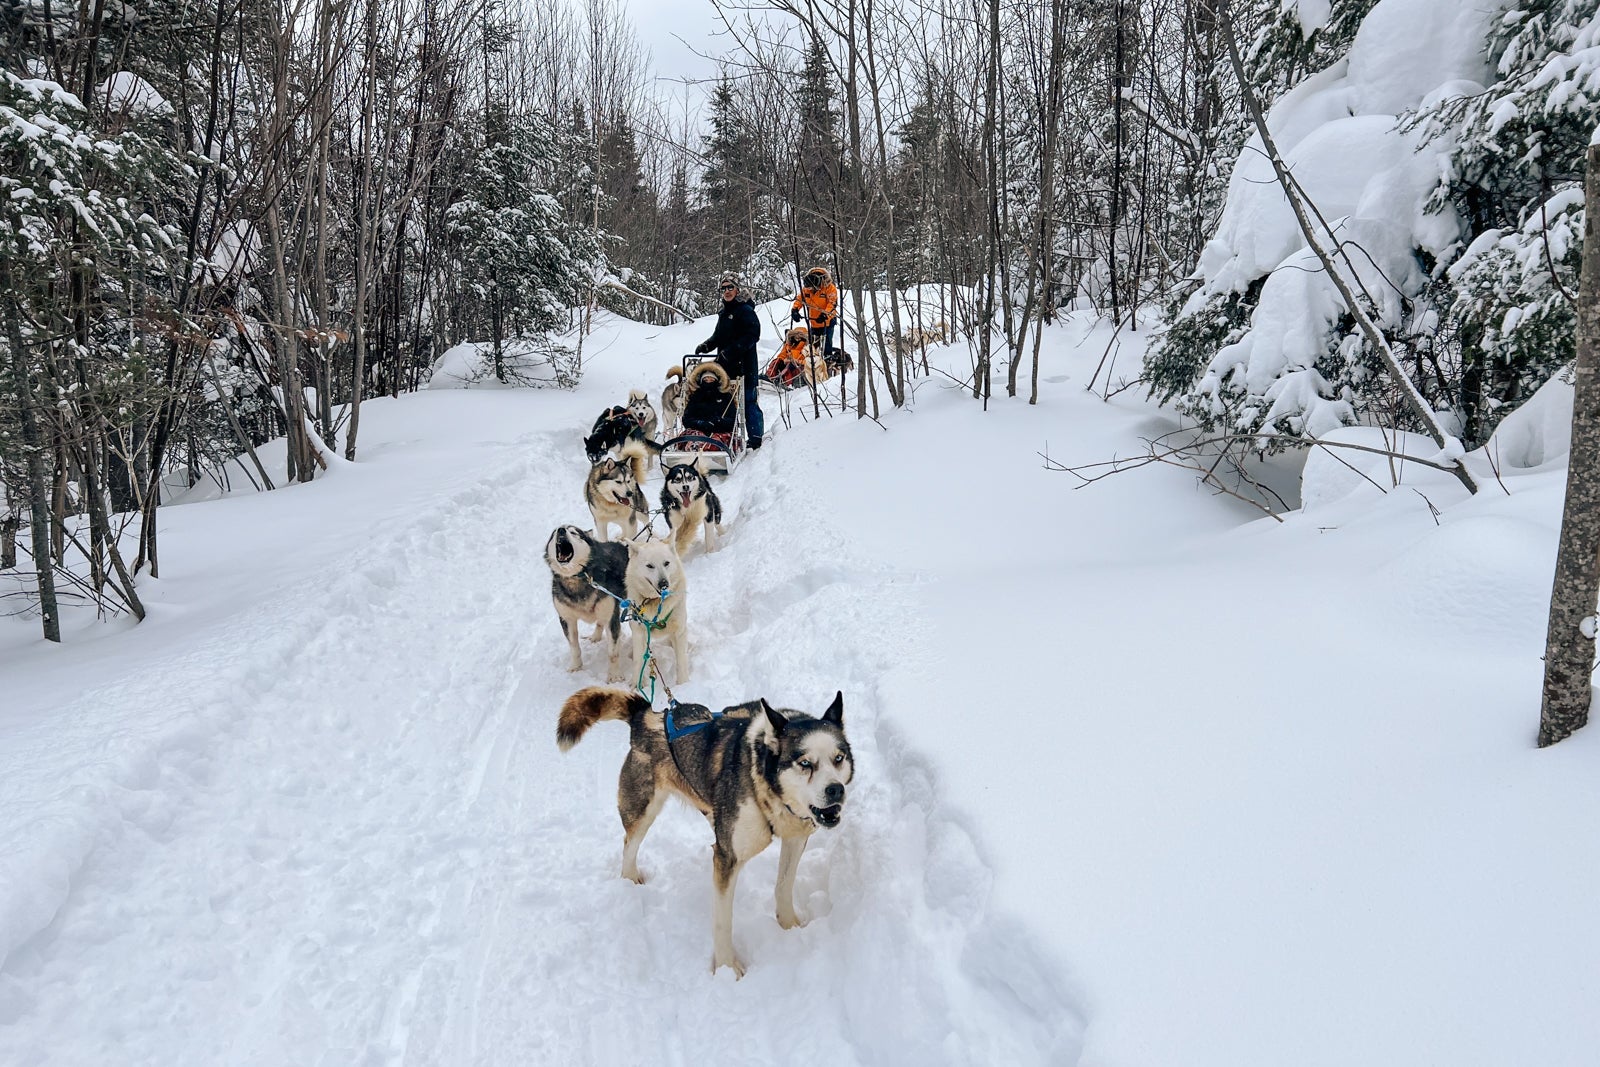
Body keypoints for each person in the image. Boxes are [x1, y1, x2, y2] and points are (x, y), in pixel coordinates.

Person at [694, 273, 763, 449]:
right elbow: (718, 336)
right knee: (725, 403)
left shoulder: (745, 310)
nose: (727, 291)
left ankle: (755, 438)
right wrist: (706, 346)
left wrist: (732, 351)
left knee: (748, 402)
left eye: (730, 287)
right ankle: (727, 436)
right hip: (726, 368)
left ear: (737, 289)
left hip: (745, 366)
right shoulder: (724, 313)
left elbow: (753, 335)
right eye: (723, 288)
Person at [790, 266, 839, 356]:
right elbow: (800, 299)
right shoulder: (807, 289)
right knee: (813, 346)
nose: (810, 290)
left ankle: (827, 363)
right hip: (813, 321)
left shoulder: (830, 288)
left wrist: (825, 314)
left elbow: (832, 303)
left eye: (812, 288)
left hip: (827, 322)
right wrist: (795, 310)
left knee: (826, 346)